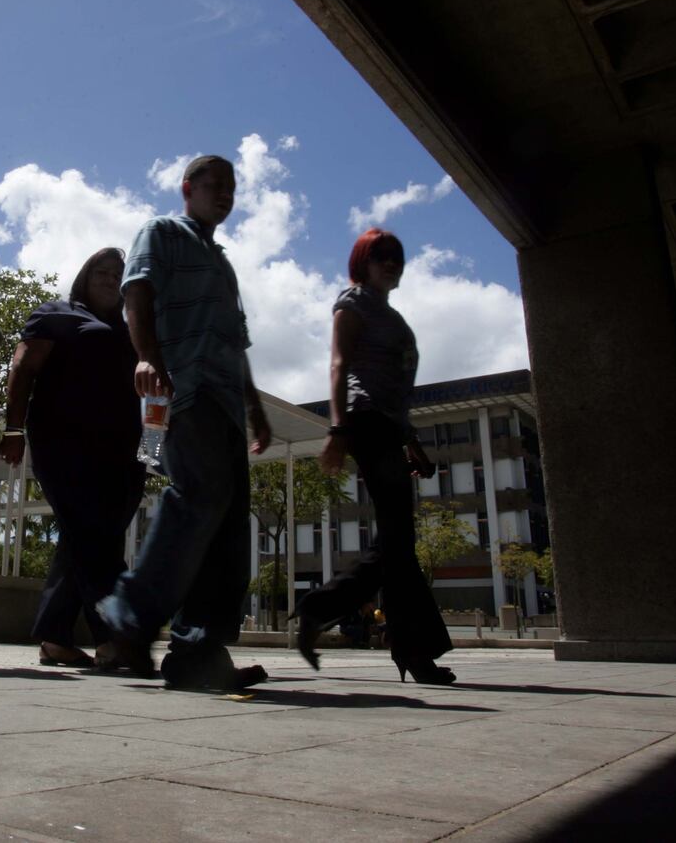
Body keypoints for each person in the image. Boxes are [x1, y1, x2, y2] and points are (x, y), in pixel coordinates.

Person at [97, 155, 272, 691]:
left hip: (222, 401)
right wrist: (147, 356)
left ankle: (197, 650)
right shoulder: (161, 232)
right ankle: (128, 615)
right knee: (199, 492)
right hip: (181, 388)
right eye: (214, 185)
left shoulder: (223, 264)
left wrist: (255, 408)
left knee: (225, 523)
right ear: (187, 188)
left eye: (232, 188)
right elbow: (137, 294)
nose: (224, 194)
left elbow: (235, 344)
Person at [292, 227, 456, 685]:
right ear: (362, 260)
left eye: (397, 257)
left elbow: (397, 394)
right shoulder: (353, 302)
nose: (391, 263)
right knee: (398, 543)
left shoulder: (394, 317)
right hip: (363, 421)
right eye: (381, 255)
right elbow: (339, 365)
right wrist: (338, 428)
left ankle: (403, 646)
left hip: (388, 427)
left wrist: (413, 442)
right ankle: (404, 647)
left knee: (398, 545)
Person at [0, 248, 146, 670]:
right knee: (91, 532)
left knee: (92, 536)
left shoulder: (133, 330)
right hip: (64, 442)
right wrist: (13, 428)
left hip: (123, 450)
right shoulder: (57, 314)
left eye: (119, 273)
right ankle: (115, 638)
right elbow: (22, 369)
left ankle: (55, 637)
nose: (110, 277)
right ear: (84, 275)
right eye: (102, 270)